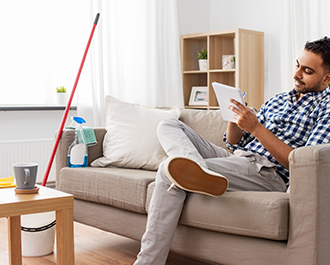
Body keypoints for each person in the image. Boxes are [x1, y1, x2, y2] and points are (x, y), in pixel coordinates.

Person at [133, 36, 330, 265]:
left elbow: (304, 164)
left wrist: (256, 127)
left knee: (170, 170)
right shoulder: (277, 101)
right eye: (297, 65)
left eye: (307, 71)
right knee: (168, 124)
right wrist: (233, 116)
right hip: (238, 159)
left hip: (268, 173)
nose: (297, 74)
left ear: (327, 78)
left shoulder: (325, 108)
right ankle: (196, 169)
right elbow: (234, 144)